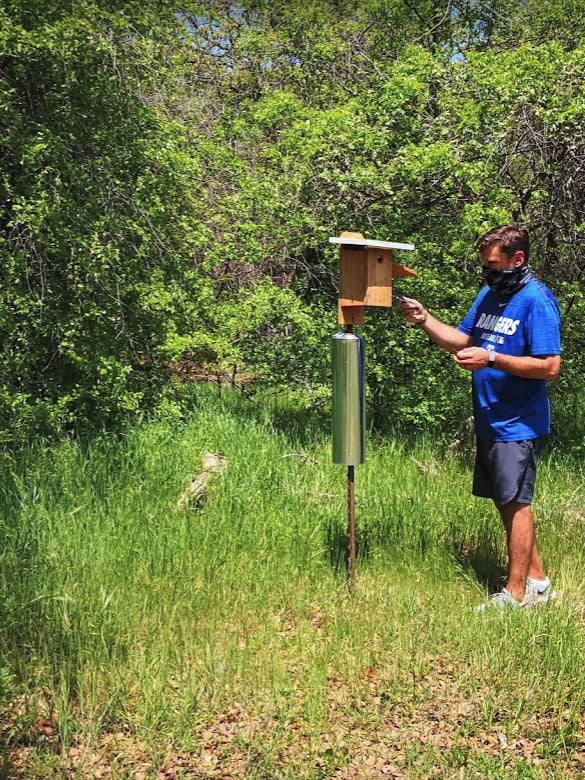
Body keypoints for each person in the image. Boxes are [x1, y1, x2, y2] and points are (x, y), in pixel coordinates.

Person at [400, 224, 561, 609]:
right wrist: (425, 319)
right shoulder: (491, 294)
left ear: (516, 259)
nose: (486, 271)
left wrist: (492, 358)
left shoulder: (536, 301)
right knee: (506, 501)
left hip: (518, 421)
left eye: (492, 264)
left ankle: (517, 594)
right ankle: (538, 581)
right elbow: (464, 339)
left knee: (517, 502)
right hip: (490, 417)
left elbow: (550, 366)